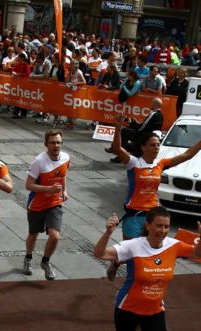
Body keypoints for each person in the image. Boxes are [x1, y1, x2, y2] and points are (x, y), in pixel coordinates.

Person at [105, 115, 201, 281]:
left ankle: (137, 284)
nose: (156, 148)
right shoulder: (133, 163)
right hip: (133, 216)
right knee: (130, 254)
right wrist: (118, 127)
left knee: (146, 254)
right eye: (152, 145)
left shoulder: (161, 164)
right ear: (143, 147)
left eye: (158, 145)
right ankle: (115, 263)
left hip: (152, 216)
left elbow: (187, 155)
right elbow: (117, 147)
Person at [94, 207, 201, 331]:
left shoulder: (174, 245)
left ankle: (117, 263)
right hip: (127, 308)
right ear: (148, 225)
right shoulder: (133, 245)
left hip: (155, 310)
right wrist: (108, 232)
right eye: (159, 226)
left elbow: (197, 254)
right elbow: (100, 254)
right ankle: (117, 263)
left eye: (166, 227)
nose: (163, 230)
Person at [23, 129, 69, 280]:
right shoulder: (39, 162)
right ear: (46, 144)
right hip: (37, 204)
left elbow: (63, 176)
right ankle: (28, 258)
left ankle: (45, 262)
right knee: (33, 234)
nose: (56, 146)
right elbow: (28, 185)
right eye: (52, 143)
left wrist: (64, 191)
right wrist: (48, 189)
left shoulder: (66, 158)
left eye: (58, 142)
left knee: (55, 236)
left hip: (55, 202)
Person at [107, 98, 164, 162]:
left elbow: (141, 127)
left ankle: (116, 150)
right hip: (148, 135)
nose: (150, 104)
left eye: (151, 103)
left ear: (154, 104)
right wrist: (133, 122)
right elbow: (145, 126)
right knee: (126, 131)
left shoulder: (153, 114)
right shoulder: (161, 115)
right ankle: (118, 152)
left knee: (123, 131)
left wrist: (131, 122)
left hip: (142, 136)